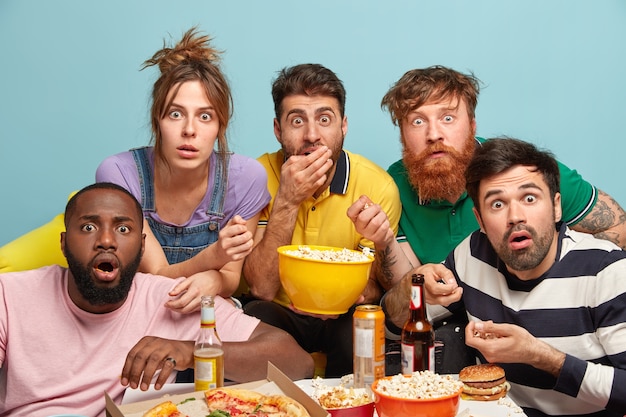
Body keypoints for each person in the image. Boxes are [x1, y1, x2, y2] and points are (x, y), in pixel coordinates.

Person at [378, 65, 626, 372]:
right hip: (453, 323)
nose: (434, 134)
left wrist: (558, 288)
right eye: (417, 121)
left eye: (447, 117)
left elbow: (617, 228)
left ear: (471, 124)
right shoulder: (390, 186)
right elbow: (407, 297)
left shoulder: (522, 172)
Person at [0, 183, 313, 417]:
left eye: (123, 229)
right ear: (64, 243)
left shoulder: (170, 298)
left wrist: (192, 351)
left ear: (141, 245)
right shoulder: (10, 295)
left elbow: (298, 362)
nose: (106, 240)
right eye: (89, 227)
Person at [416, 137, 626, 416]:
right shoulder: (472, 255)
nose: (515, 216)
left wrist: (540, 356)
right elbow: (400, 319)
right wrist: (416, 284)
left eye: (529, 198)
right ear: (480, 221)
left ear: (556, 207)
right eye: (497, 204)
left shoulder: (606, 269)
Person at [240, 63, 404, 378]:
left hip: (344, 313)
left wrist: (355, 294)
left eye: (324, 120)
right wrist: (287, 200)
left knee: (362, 324)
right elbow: (260, 287)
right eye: (297, 120)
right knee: (254, 315)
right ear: (278, 130)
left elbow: (377, 285)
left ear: (343, 126)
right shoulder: (254, 178)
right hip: (279, 309)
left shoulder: (377, 185)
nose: (312, 135)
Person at [96, 27, 270, 313]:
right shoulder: (119, 174)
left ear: (220, 126)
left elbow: (230, 278)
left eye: (205, 116)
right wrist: (214, 259)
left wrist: (215, 281)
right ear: (158, 120)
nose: (190, 130)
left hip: (205, 312)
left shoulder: (245, 178)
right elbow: (156, 275)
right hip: (139, 309)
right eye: (176, 114)